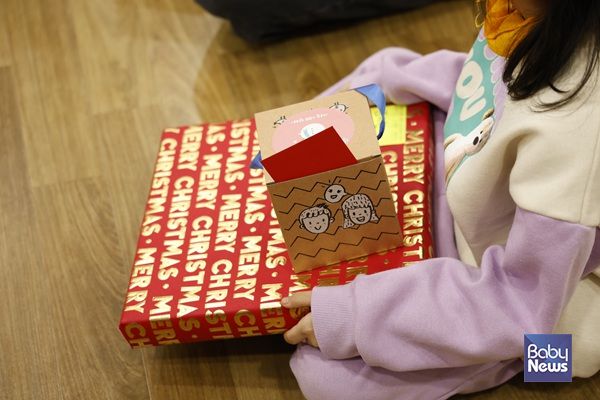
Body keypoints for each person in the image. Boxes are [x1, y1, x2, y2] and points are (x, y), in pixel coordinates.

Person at [280, 0, 600, 398]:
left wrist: (357, 315)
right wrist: (387, 79)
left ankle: (522, 360)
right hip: (471, 195)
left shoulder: (578, 127)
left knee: (327, 379)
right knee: (382, 72)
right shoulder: (530, 13)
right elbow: (489, 89)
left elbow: (520, 303)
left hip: (536, 294)